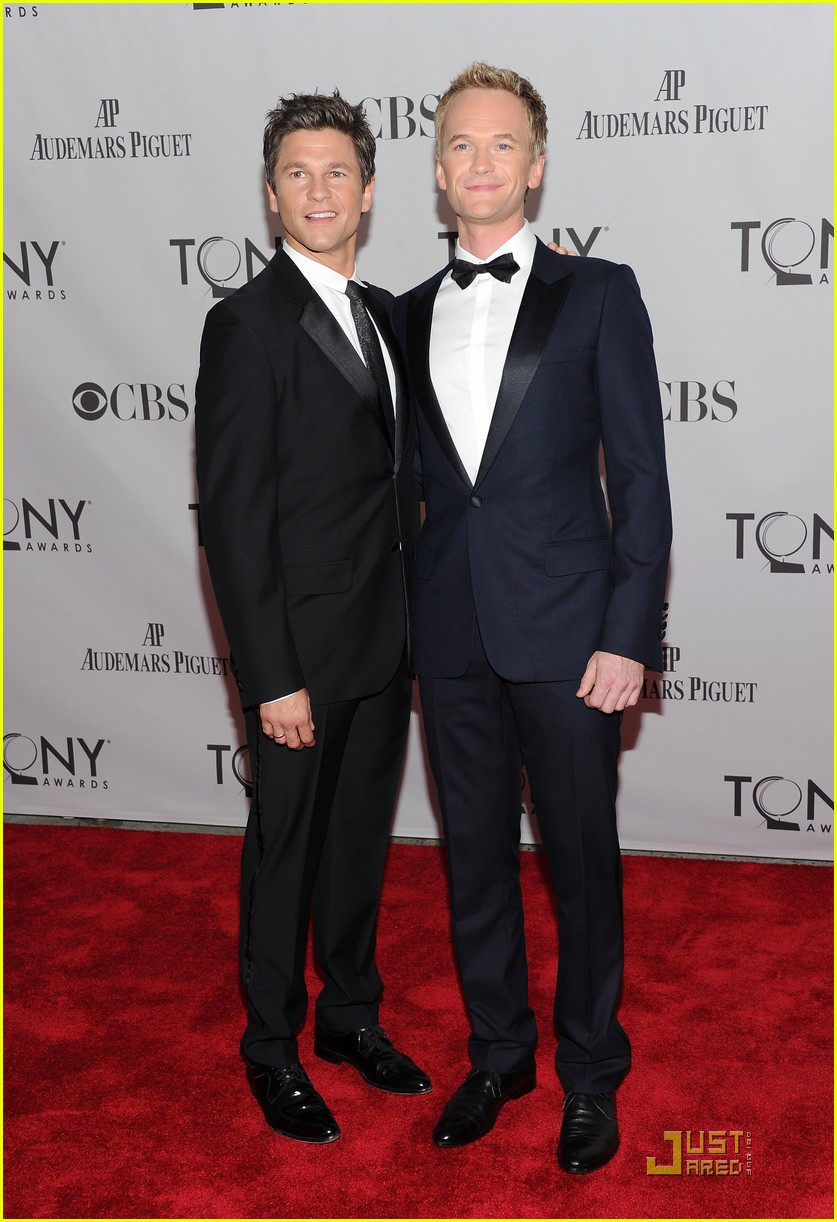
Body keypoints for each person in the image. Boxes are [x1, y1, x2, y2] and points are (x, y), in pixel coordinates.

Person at [393, 63, 672, 1173]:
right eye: (461, 144)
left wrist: (629, 634)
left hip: (570, 638)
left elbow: (642, 480)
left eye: (502, 144)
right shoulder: (405, 314)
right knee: (472, 858)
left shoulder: (601, 294)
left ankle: (591, 1069)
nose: (481, 162)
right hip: (451, 632)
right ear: (439, 170)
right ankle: (500, 1052)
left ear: (538, 166)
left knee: (581, 860)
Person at [195, 91, 430, 1144]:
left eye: (339, 171)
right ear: (271, 193)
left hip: (386, 642)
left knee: (354, 850)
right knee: (285, 848)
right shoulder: (244, 325)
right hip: (301, 657)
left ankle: (348, 1018)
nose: (320, 189)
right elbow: (236, 522)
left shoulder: (385, 312)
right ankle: (272, 1047)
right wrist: (269, 673)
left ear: (370, 191)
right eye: (298, 172)